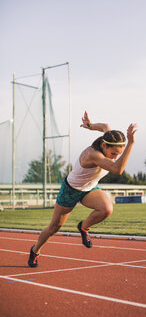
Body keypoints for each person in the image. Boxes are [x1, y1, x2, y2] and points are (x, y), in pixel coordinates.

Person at [28, 111, 138, 267]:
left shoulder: (107, 139)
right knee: (54, 228)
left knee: (106, 209)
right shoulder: (93, 155)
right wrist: (131, 144)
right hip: (71, 190)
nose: (114, 157)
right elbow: (117, 169)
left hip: (90, 189)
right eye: (113, 153)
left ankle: (83, 227)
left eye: (118, 154)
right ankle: (35, 250)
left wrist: (90, 126)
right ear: (104, 145)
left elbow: (105, 126)